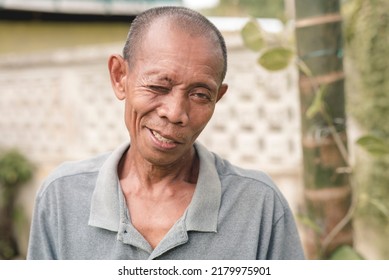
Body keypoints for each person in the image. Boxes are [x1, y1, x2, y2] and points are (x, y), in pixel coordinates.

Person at [27, 6, 304, 260]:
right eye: (158, 87)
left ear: (217, 98)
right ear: (119, 77)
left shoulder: (258, 206)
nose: (174, 113)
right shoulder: (62, 197)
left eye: (199, 95)